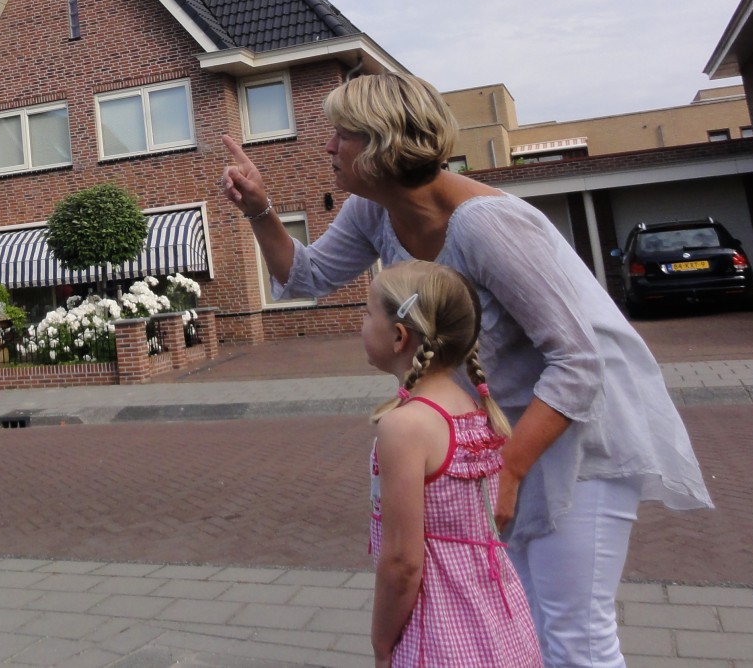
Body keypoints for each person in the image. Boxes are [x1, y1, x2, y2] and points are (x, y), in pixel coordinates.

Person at [222, 70, 711, 668]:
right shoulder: (373, 211)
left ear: (381, 145)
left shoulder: (487, 225)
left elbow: (580, 360)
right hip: (512, 441)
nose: (326, 147)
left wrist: (509, 467)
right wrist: (261, 209)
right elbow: (306, 276)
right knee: (524, 627)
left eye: (341, 134)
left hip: (582, 436)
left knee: (575, 637)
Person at [364, 259, 540, 668]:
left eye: (367, 313)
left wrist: (381, 643)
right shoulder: (473, 407)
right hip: (499, 620)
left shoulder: (404, 427)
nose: (361, 323)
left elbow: (403, 563)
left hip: (440, 630)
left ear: (398, 336)